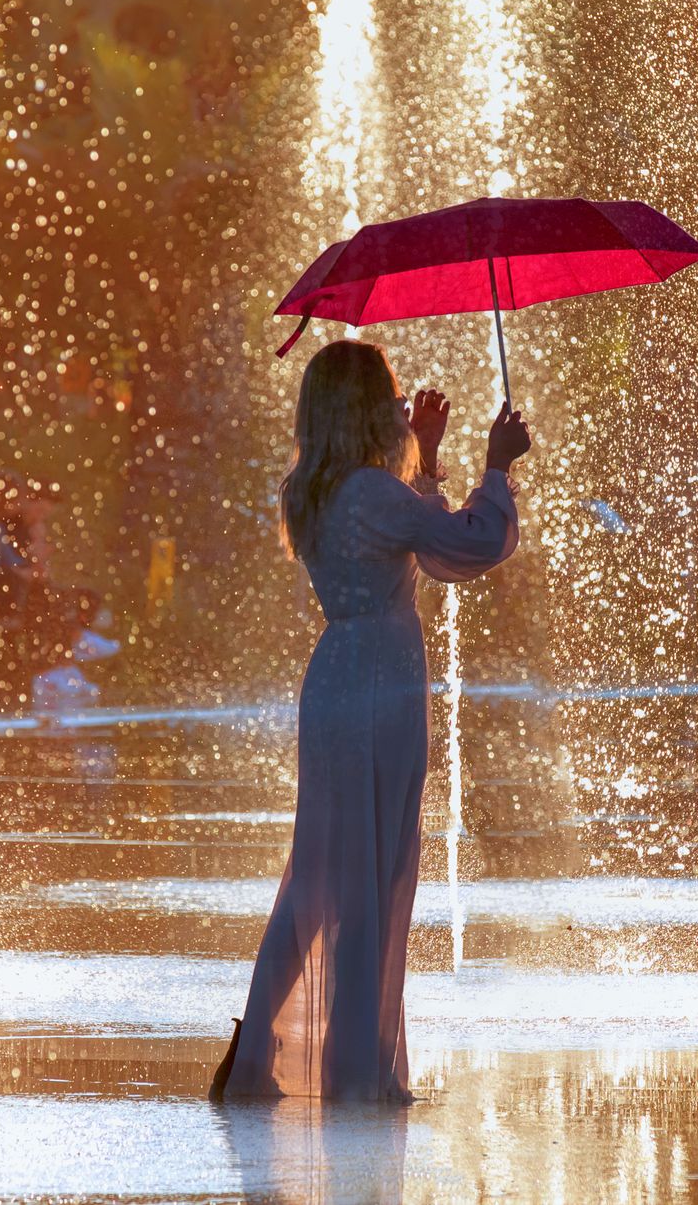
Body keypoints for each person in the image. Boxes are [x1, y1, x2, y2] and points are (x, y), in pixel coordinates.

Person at [211, 339, 531, 1104]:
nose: (399, 405)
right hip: (380, 685)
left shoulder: (319, 489)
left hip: (337, 679)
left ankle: (254, 1053)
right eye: (387, 395)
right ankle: (355, 1067)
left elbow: (407, 522)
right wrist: (497, 464)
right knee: (372, 871)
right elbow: (469, 542)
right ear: (361, 407)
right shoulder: (371, 492)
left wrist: (422, 454)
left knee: (321, 873)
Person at [0, 468, 119, 666]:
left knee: (57, 598)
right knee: (42, 601)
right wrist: (16, 571)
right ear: (1, 498)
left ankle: (66, 654)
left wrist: (32, 562)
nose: (20, 505)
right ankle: (62, 656)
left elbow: (14, 562)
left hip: (1, 591)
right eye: (17, 499)